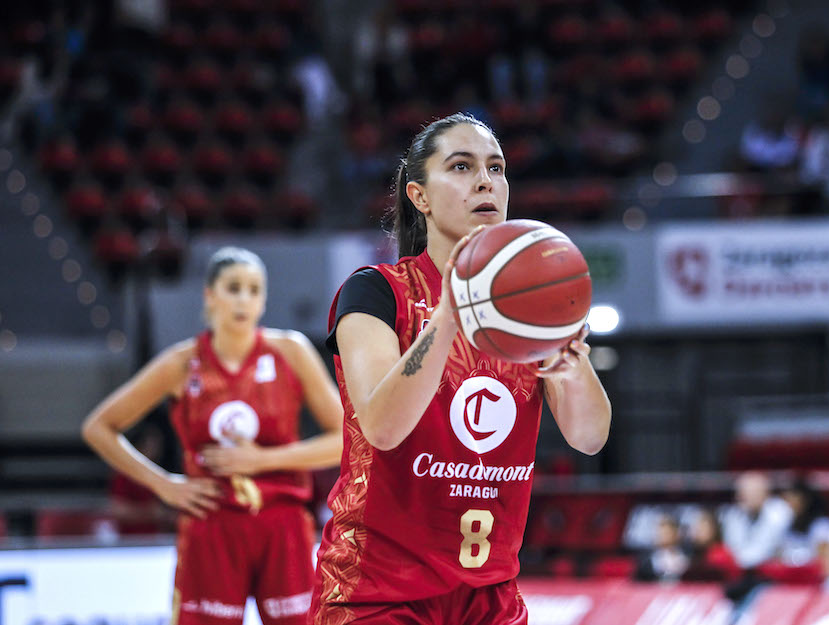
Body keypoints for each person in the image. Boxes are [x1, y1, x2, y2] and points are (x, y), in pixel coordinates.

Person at [309, 113, 612, 624]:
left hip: (489, 597)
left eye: (496, 168)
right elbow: (382, 427)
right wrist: (451, 313)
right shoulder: (377, 292)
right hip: (376, 593)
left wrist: (570, 359)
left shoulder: (530, 312)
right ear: (419, 196)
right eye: (461, 166)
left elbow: (589, 437)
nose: (485, 181)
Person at [82, 246, 344, 625]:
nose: (244, 299)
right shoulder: (182, 363)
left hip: (282, 523)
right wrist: (164, 484)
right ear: (209, 295)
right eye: (233, 288)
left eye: (254, 290)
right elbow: (98, 428)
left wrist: (263, 460)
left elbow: (344, 438)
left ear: (263, 301)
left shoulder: (291, 352)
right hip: (211, 524)